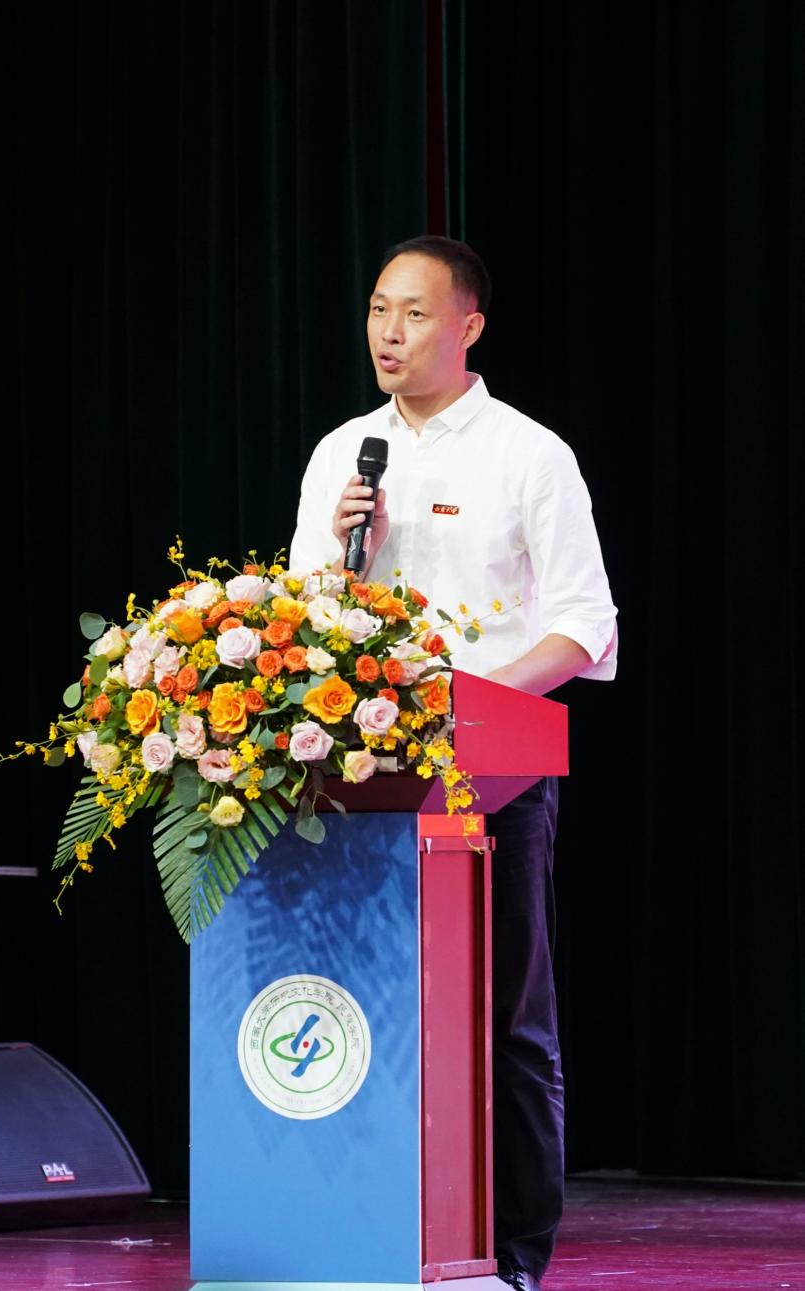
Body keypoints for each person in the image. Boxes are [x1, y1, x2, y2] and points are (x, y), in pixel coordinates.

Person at [289, 235, 617, 1291]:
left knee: (505, 1017)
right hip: (360, 779)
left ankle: (515, 1254)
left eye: (415, 313)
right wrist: (346, 555)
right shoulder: (342, 454)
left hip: (494, 776)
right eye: (378, 309)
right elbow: (301, 621)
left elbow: (583, 624)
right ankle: (369, 1236)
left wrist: (476, 709)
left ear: (468, 325)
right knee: (364, 1005)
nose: (388, 332)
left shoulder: (529, 454)